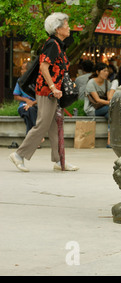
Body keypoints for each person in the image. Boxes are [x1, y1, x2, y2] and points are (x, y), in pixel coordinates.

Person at [9, 12, 79, 172]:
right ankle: (19, 154)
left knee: (54, 125)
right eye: (67, 25)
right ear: (58, 28)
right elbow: (43, 67)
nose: (69, 28)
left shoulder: (58, 44)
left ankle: (59, 161)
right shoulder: (52, 45)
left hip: (52, 92)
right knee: (42, 125)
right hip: (47, 91)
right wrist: (54, 87)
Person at [13, 62, 38, 134]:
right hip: (23, 106)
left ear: (28, 70)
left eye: (22, 69)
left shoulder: (37, 81)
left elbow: (43, 97)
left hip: (37, 105)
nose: (21, 71)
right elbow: (16, 96)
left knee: (29, 112)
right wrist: (26, 100)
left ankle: (31, 137)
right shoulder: (20, 81)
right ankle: (36, 136)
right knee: (28, 110)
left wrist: (32, 103)